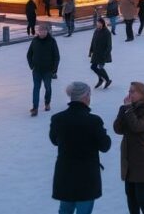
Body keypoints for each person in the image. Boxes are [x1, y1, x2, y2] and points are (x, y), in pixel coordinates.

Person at [50, 81, 112, 214]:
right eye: (89, 95)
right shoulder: (94, 121)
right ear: (85, 97)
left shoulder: (57, 119)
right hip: (87, 177)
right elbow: (105, 146)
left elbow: (54, 140)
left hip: (65, 174)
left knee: (65, 210)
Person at [113, 82, 144, 214]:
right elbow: (118, 129)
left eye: (133, 91)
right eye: (129, 91)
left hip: (143, 159)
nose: (129, 94)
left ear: (142, 94)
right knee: (130, 195)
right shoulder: (128, 108)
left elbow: (137, 127)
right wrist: (123, 110)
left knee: (141, 197)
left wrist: (128, 110)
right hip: (128, 157)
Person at [27, 23, 61, 117]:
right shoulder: (35, 41)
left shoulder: (52, 41)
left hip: (47, 71)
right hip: (36, 70)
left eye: (43, 30)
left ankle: (47, 103)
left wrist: (54, 69)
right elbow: (29, 54)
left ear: (47, 31)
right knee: (36, 89)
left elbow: (57, 57)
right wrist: (31, 66)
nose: (41, 32)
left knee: (47, 87)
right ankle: (35, 108)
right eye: (40, 30)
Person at [89, 18, 113, 90]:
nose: (98, 24)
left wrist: (105, 55)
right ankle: (101, 79)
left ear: (102, 23)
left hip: (103, 54)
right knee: (93, 67)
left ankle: (107, 80)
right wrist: (90, 51)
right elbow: (93, 41)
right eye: (97, 23)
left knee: (100, 67)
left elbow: (109, 46)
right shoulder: (96, 31)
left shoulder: (107, 32)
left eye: (99, 23)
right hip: (96, 53)